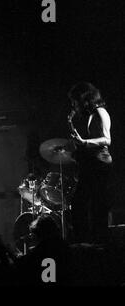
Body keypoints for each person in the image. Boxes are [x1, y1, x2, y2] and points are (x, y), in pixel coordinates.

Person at [68, 82, 113, 244]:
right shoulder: (90, 114)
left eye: (75, 101)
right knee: (82, 204)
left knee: (96, 205)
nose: (74, 105)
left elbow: (107, 139)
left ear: (84, 98)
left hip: (99, 164)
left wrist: (84, 142)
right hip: (91, 165)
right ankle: (86, 241)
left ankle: (97, 243)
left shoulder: (101, 112)